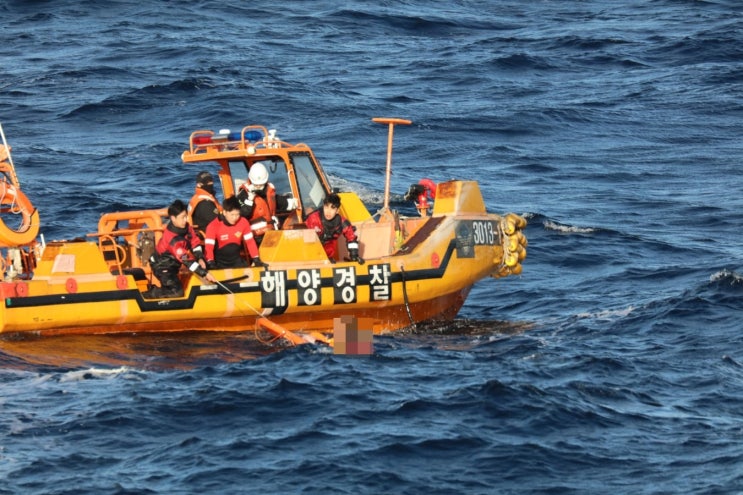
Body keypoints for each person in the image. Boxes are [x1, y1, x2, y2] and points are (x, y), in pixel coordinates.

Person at [147, 199, 217, 298]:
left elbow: (195, 242)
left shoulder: (187, 228)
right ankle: (151, 293)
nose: (185, 220)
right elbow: (186, 260)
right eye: (182, 218)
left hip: (175, 265)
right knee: (177, 292)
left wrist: (200, 257)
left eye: (186, 217)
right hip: (162, 266)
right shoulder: (173, 240)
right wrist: (204, 273)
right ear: (173, 218)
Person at [237, 161, 298, 245]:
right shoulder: (243, 195)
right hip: (255, 237)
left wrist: (291, 203)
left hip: (272, 232)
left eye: (261, 184)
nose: (258, 186)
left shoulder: (268, 191)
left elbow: (275, 200)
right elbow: (240, 215)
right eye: (256, 184)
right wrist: (249, 201)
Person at [204, 196, 267, 269]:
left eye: (237, 214)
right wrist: (210, 263)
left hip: (236, 261)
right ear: (224, 212)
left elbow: (250, 242)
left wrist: (256, 259)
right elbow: (208, 248)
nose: (235, 218)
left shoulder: (243, 222)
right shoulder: (213, 226)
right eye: (232, 215)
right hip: (219, 264)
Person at [305, 193, 360, 262]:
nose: (328, 211)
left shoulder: (342, 223)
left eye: (332, 208)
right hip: (312, 257)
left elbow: (351, 237)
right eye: (326, 207)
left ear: (337, 211)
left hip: (328, 258)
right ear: (323, 207)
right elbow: (305, 240)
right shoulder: (313, 219)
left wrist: (354, 255)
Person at [188, 171, 221, 236]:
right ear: (198, 185)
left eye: (211, 181)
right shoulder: (204, 203)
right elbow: (216, 220)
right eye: (207, 182)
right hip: (208, 234)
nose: (210, 184)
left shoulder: (197, 197)